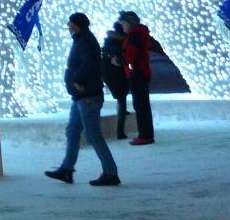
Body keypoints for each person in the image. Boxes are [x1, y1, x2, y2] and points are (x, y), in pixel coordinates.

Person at [45, 13, 120, 186]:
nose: (68, 26)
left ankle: (111, 172)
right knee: (72, 131)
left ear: (77, 25)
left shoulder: (86, 41)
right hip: (80, 96)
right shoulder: (81, 39)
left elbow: (89, 65)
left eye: (70, 23)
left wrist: (77, 80)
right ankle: (67, 169)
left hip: (88, 96)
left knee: (94, 135)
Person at [120, 9, 156, 145]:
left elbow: (130, 57)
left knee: (140, 105)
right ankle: (146, 134)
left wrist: (121, 61)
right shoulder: (139, 33)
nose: (122, 26)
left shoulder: (134, 36)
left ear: (129, 23)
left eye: (123, 23)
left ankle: (145, 135)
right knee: (142, 105)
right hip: (140, 72)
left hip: (138, 73)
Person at [101, 17, 131, 140]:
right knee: (121, 99)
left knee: (120, 98)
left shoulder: (108, 40)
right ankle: (120, 131)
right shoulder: (121, 43)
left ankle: (122, 120)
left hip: (106, 72)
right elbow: (120, 60)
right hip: (116, 73)